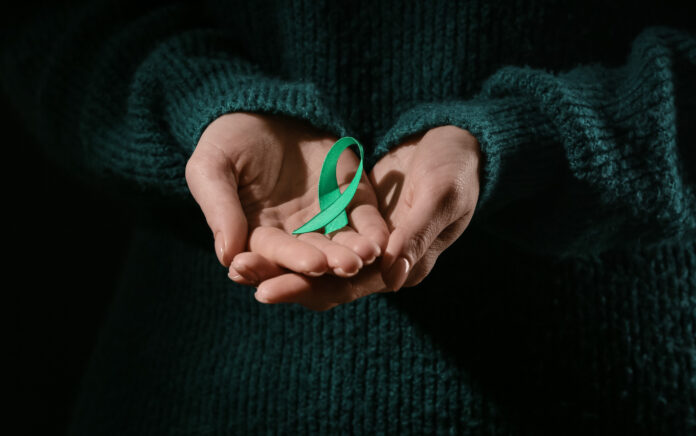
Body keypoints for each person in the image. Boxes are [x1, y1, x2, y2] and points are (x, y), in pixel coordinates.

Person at [3, 0, 695, 434]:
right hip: (189, 391)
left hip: (600, 392)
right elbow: (49, 22)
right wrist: (203, 96)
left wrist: (523, 139)